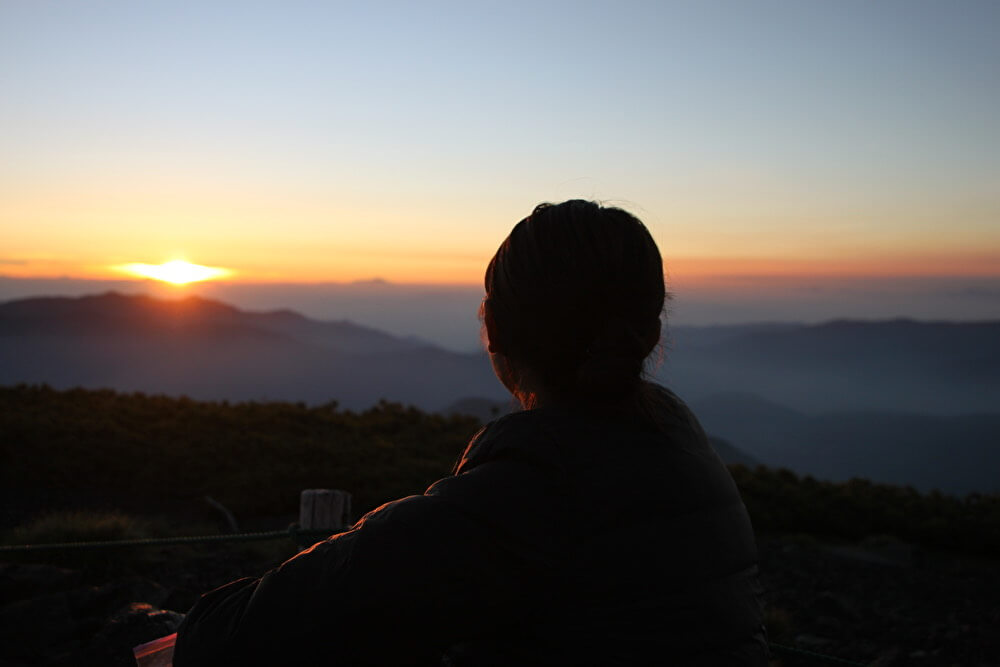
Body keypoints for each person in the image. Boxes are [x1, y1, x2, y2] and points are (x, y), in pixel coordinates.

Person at [173, 200, 768, 666]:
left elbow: (236, 636)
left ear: (497, 334)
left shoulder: (528, 492)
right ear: (649, 330)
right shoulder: (682, 450)